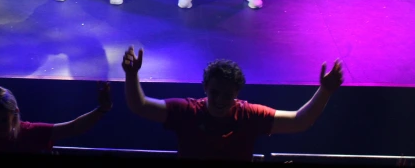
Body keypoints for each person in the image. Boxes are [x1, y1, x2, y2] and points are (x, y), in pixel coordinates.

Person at [122, 46, 344, 162]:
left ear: (237, 93)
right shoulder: (188, 111)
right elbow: (139, 106)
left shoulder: (249, 115)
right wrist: (131, 76)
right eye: (215, 93)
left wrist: (325, 91)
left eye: (227, 95)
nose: (220, 101)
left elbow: (299, 121)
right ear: (205, 88)